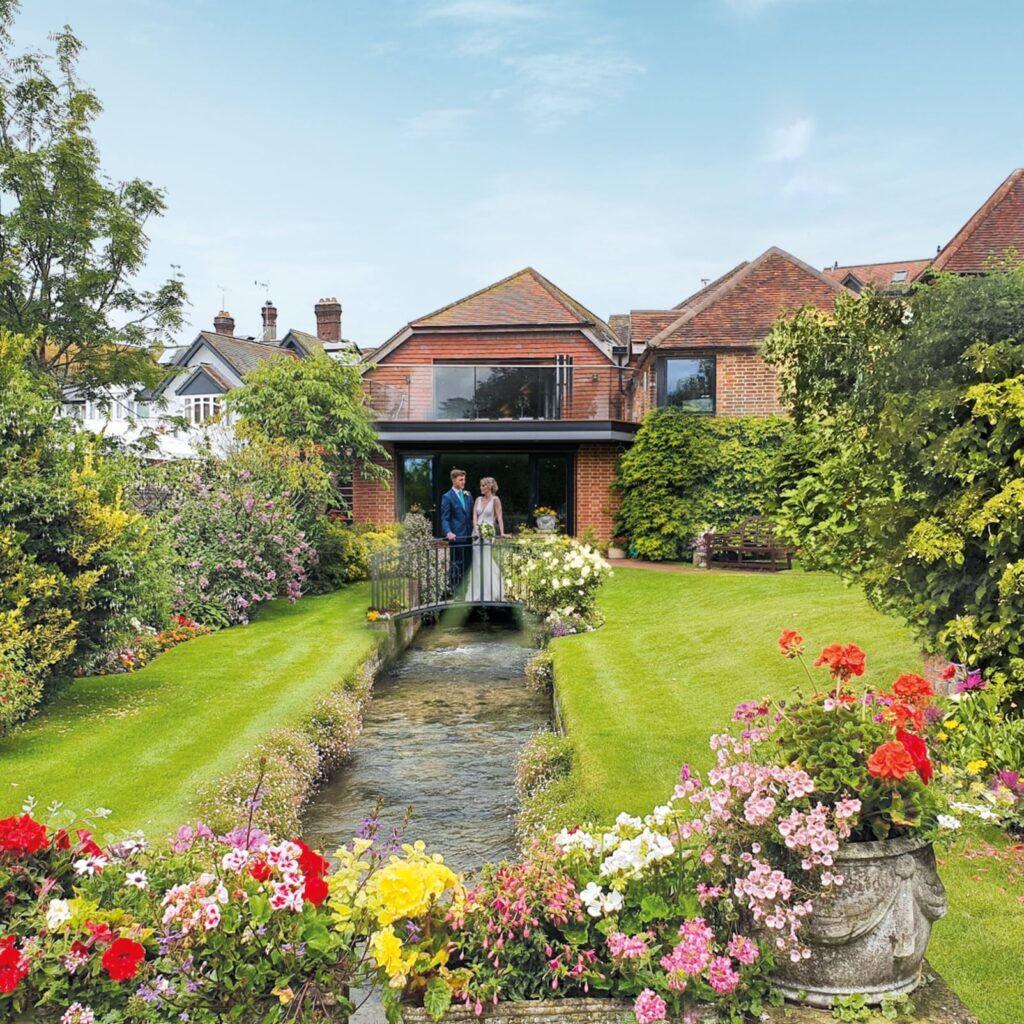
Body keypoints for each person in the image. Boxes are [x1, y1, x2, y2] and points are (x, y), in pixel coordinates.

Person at [469, 476, 507, 601]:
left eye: (483, 486)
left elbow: (499, 517)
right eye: (480, 486)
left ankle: (489, 593)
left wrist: (502, 533)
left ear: (489, 487)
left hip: (489, 533)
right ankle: (476, 593)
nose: (481, 488)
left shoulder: (495, 500)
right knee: (477, 562)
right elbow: (474, 514)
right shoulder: (478, 499)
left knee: (485, 560)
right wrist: (476, 528)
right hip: (476, 533)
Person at [440, 468, 473, 595]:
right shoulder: (447, 497)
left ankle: (466, 590)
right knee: (456, 565)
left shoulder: (468, 495)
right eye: (461, 480)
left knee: (467, 565)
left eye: (464, 479)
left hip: (469, 536)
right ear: (454, 480)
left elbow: (472, 515)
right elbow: (445, 518)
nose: (463, 482)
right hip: (456, 538)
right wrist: (448, 532)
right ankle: (455, 592)